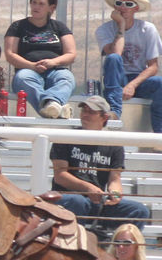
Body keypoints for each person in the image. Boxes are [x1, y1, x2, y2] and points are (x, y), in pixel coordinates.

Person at [50, 95, 150, 231]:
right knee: (77, 202)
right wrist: (88, 188)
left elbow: (115, 180)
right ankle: (76, 246)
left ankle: (118, 248)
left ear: (104, 118)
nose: (85, 114)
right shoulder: (65, 138)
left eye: (91, 112)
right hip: (68, 199)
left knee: (139, 211)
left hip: (97, 202)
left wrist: (114, 195)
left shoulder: (114, 145)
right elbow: (60, 175)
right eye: (84, 110)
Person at [95, 0, 162, 136]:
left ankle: (160, 135)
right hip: (116, 79)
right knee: (114, 58)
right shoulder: (104, 30)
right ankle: (115, 111)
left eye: (128, 4)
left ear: (136, 8)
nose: (123, 7)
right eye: (119, 3)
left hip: (138, 79)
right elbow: (116, 53)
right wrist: (121, 26)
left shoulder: (148, 29)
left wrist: (132, 85)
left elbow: (153, 67)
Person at [4, 0, 76, 119]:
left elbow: (71, 54)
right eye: (34, 3)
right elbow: (10, 54)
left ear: (52, 7)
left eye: (41, 4)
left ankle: (51, 105)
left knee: (67, 79)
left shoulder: (59, 27)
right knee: (22, 79)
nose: (36, 7)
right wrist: (32, 66)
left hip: (55, 71)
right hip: (28, 70)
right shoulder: (17, 27)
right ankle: (55, 107)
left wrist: (53, 62)